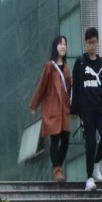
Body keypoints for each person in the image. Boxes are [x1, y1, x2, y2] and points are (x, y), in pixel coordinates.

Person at [30, 34, 73, 182]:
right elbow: (42, 85)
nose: (63, 46)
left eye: (65, 44)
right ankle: (58, 170)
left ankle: (58, 166)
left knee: (65, 140)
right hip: (53, 109)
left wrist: (74, 109)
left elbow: (70, 91)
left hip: (64, 110)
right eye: (60, 44)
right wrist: (35, 104)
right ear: (55, 47)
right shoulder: (50, 66)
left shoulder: (67, 69)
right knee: (55, 140)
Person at [73, 27, 102, 189]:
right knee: (91, 143)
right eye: (89, 43)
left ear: (97, 42)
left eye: (94, 42)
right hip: (86, 110)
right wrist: (75, 110)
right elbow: (76, 88)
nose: (91, 46)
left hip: (100, 109)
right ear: (85, 43)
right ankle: (89, 178)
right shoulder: (80, 62)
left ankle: (96, 162)